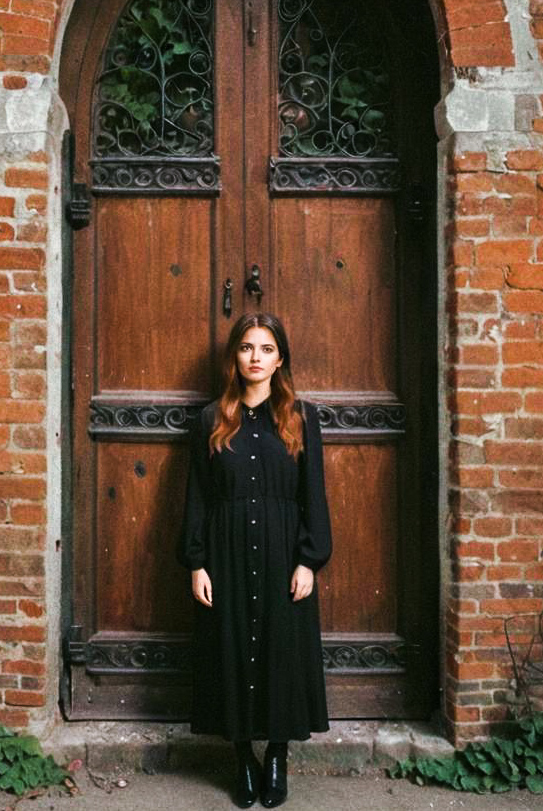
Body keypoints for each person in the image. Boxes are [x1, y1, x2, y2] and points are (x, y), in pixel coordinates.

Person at [178, 313, 332, 808]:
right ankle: (242, 755)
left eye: (266, 349)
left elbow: (314, 497)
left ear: (280, 357)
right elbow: (197, 497)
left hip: (283, 553)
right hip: (224, 554)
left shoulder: (301, 418)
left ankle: (277, 755)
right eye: (247, 348)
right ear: (235, 357)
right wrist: (197, 562)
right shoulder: (210, 419)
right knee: (230, 649)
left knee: (280, 651)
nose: (256, 358)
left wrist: (309, 560)